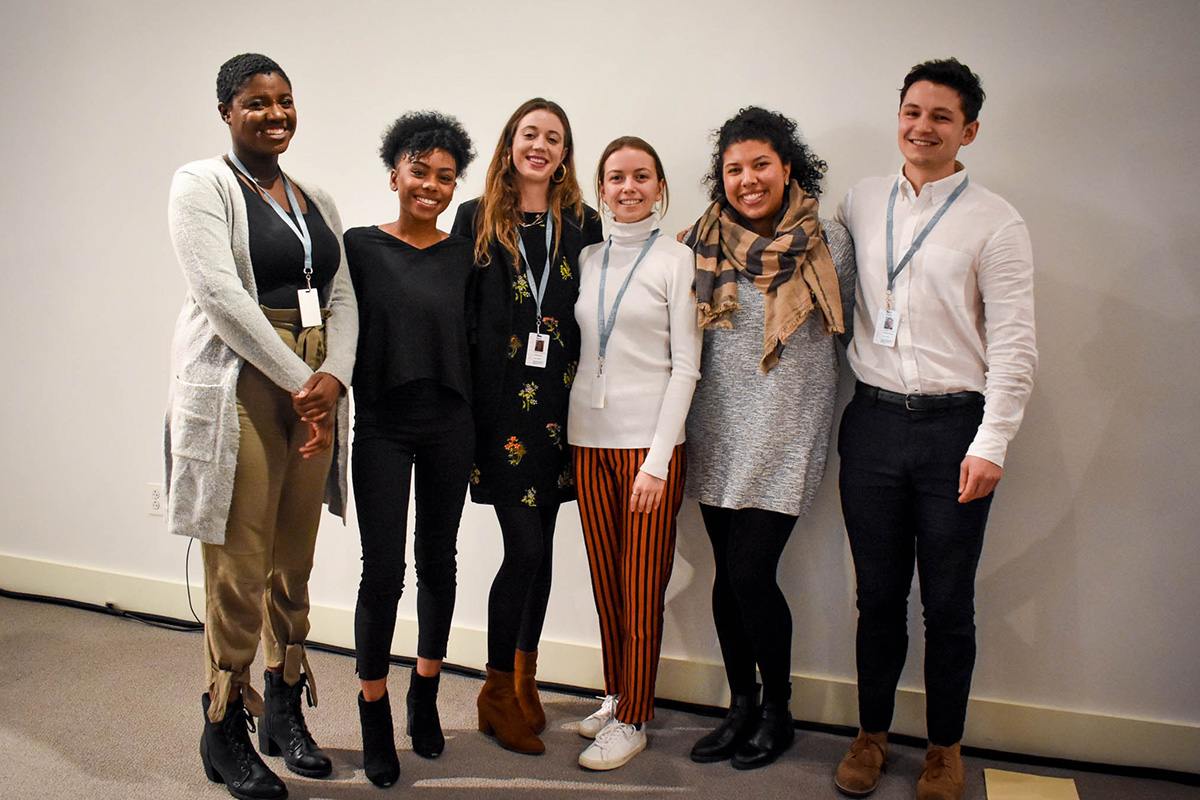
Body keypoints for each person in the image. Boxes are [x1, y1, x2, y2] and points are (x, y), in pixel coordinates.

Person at [832, 58, 1036, 800]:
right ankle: (871, 735)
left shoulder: (996, 221)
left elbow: (1016, 345)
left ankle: (944, 750)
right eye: (912, 112)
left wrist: (992, 443)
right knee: (877, 598)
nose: (922, 127)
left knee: (948, 604)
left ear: (968, 131)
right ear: (899, 117)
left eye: (941, 117)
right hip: (874, 427)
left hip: (957, 432)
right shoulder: (860, 200)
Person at [165, 53, 357, 800]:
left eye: (284, 100)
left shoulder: (317, 198)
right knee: (240, 559)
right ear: (226, 112)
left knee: (294, 556)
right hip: (242, 378)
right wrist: (301, 379)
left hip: (310, 382)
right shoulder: (200, 184)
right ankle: (224, 724)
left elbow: (341, 296)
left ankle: (282, 706)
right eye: (255, 102)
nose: (275, 113)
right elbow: (217, 292)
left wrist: (332, 378)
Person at [682, 107, 855, 771]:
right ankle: (741, 706)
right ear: (719, 177)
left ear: (788, 168)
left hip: (788, 426)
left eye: (760, 165)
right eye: (734, 168)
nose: (748, 179)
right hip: (716, 424)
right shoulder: (698, 241)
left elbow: (854, 333)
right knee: (728, 578)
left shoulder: (829, 241)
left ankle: (779, 709)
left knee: (752, 573)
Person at [451, 98, 602, 755]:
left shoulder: (586, 225)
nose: (540, 145)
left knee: (541, 555)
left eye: (554, 138)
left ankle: (524, 678)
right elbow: (455, 317)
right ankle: (493, 689)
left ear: (566, 153)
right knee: (527, 551)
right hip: (501, 408)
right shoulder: (474, 219)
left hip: (562, 411)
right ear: (511, 142)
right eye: (529, 133)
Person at [343, 111, 476, 785]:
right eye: (418, 171)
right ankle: (373, 710)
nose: (430, 185)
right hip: (384, 428)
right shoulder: (359, 247)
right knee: (382, 572)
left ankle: (424, 690)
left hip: (451, 423)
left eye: (445, 176)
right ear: (394, 172)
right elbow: (335, 332)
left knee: (438, 562)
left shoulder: (466, 252)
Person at [568, 137, 702, 770]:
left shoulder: (677, 260)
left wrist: (656, 462)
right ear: (601, 188)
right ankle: (616, 694)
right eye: (616, 177)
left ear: (659, 186)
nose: (628, 188)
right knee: (606, 586)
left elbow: (686, 370)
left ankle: (636, 718)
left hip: (649, 450)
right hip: (588, 442)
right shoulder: (588, 257)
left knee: (642, 587)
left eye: (641, 177)